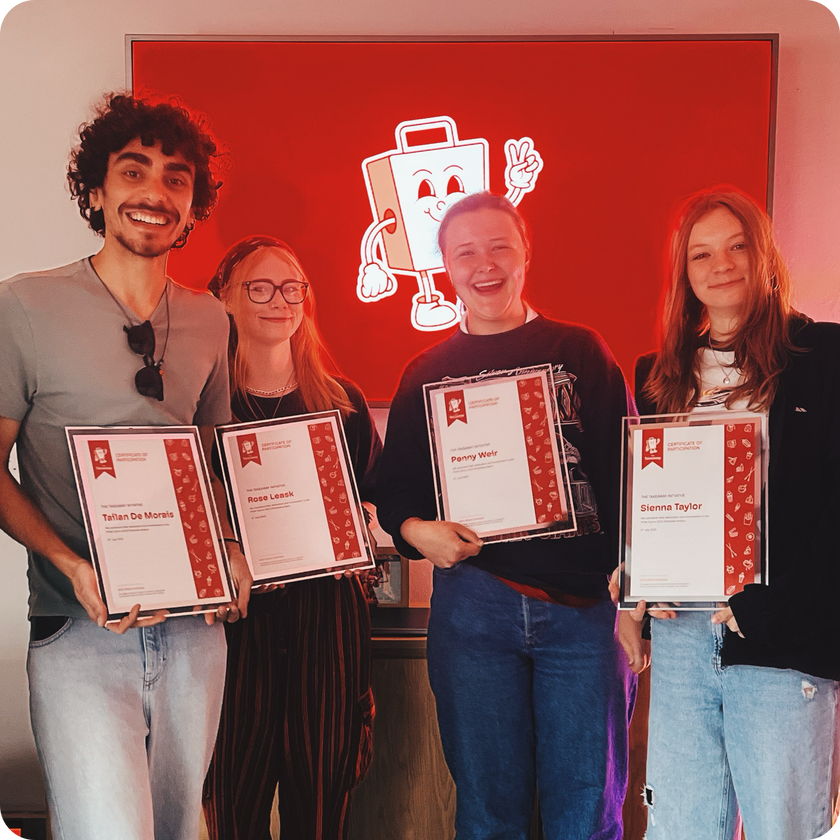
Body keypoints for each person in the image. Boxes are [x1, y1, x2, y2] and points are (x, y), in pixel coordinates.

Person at [0, 93, 251, 840]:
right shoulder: (25, 306)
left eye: (176, 179)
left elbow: (211, 464)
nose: (155, 193)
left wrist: (231, 550)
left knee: (177, 830)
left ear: (194, 203)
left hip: (194, 633)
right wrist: (68, 563)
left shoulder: (210, 318)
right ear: (98, 191)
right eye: (133, 171)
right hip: (78, 628)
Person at [376, 192, 640, 840]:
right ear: (443, 266)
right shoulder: (424, 373)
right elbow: (397, 494)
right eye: (465, 252)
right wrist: (417, 533)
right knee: (489, 809)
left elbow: (630, 477)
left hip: (582, 611)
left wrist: (634, 598)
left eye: (499, 247)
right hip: (474, 607)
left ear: (526, 253)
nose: (484, 265)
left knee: (587, 809)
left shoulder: (579, 351)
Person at [632, 186, 840, 840]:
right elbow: (652, 506)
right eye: (701, 254)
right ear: (684, 275)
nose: (720, 265)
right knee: (683, 827)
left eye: (736, 246)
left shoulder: (824, 358)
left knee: (784, 828)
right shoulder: (659, 375)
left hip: (781, 638)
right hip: (683, 638)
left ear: (763, 253)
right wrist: (632, 583)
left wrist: (764, 607)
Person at [202, 235, 382, 840]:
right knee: (233, 809)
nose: (279, 301)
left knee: (324, 815)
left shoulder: (344, 404)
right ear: (224, 297)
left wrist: (361, 523)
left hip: (326, 629)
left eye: (292, 288)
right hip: (235, 632)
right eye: (259, 287)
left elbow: (377, 513)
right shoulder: (203, 407)